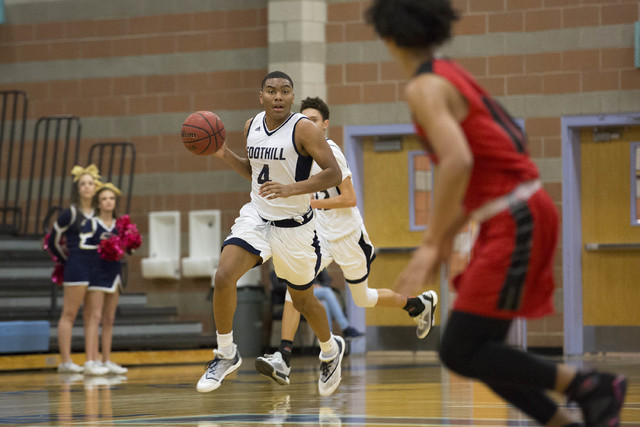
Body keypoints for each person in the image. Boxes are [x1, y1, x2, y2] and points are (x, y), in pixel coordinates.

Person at [366, 1, 627, 427]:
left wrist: (431, 244)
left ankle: (590, 385)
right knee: (486, 356)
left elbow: (458, 162)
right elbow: (478, 171)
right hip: (513, 210)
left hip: (516, 215)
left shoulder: (423, 88)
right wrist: (445, 239)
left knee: (459, 350)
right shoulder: (450, 72)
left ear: (387, 36)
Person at [256, 96, 438, 386]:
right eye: (304, 121)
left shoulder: (332, 154)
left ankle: (417, 304)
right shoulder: (298, 156)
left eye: (314, 120)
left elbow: (350, 198)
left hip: (347, 236)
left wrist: (311, 202)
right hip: (319, 237)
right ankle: (283, 358)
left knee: (362, 298)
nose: (308, 125)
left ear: (325, 125)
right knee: (296, 291)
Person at [196, 71, 346, 397]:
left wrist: (292, 189)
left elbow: (333, 173)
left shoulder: (304, 129)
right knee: (223, 276)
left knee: (304, 300)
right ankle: (225, 353)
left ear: (293, 97)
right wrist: (224, 154)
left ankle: (331, 349)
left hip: (295, 227)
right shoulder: (251, 127)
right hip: (258, 217)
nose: (278, 96)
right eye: (271, 90)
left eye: (285, 91)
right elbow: (253, 173)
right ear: (260, 96)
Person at [48, 164, 107, 375]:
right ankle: (65, 361)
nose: (87, 187)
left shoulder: (100, 213)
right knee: (70, 313)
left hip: (96, 268)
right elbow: (53, 240)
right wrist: (66, 260)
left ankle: (92, 360)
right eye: (83, 184)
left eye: (91, 183)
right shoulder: (70, 213)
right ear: (77, 188)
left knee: (93, 315)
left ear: (96, 187)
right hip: (76, 267)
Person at [82, 182, 129, 376]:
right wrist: (103, 246)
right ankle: (90, 361)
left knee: (109, 319)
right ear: (98, 204)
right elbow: (82, 246)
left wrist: (127, 243)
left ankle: (106, 359)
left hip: (114, 274)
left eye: (111, 198)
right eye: (104, 199)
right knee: (95, 317)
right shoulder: (91, 223)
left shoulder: (120, 225)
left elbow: (127, 248)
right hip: (96, 275)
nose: (108, 202)